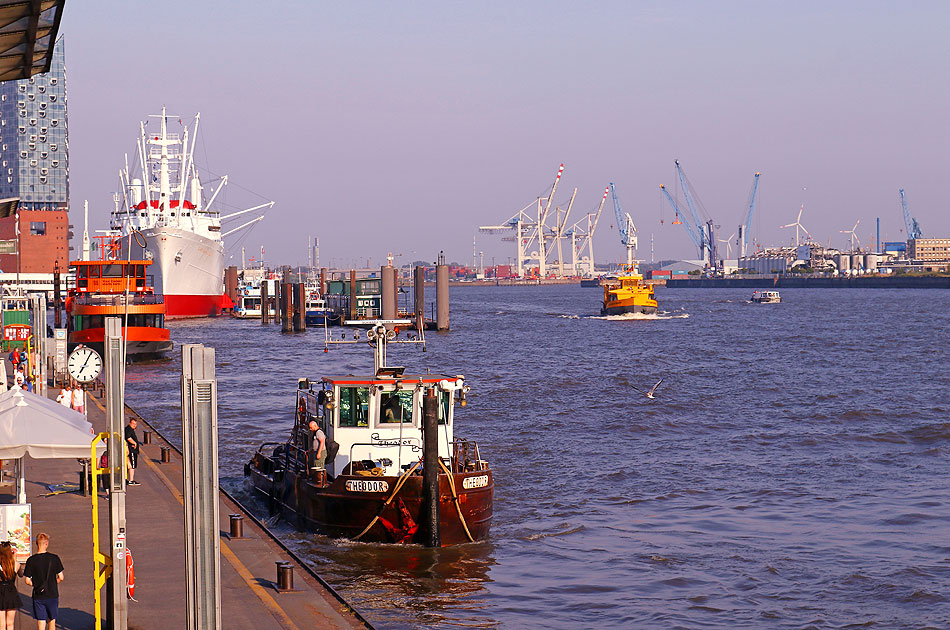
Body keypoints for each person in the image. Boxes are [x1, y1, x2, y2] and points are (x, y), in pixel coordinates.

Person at [22, 533, 64, 630]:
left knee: (41, 622)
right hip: (52, 594)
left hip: (38, 595)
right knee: (52, 621)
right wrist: (54, 583)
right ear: (47, 543)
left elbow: (27, 580)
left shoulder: (31, 560)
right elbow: (61, 577)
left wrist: (36, 585)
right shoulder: (54, 558)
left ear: (36, 543)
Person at [0, 541, 20, 630]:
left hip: (0, 593)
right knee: (10, 624)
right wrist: (15, 557)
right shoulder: (15, 564)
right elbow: (21, 574)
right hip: (11, 593)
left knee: (1, 624)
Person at [125, 417, 141, 485]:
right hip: (132, 451)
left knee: (128, 465)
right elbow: (128, 437)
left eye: (135, 424)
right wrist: (134, 443)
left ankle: (126, 479)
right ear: (130, 423)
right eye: (133, 424)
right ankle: (131, 480)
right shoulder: (129, 429)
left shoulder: (129, 429)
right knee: (132, 465)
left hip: (130, 450)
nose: (135, 425)